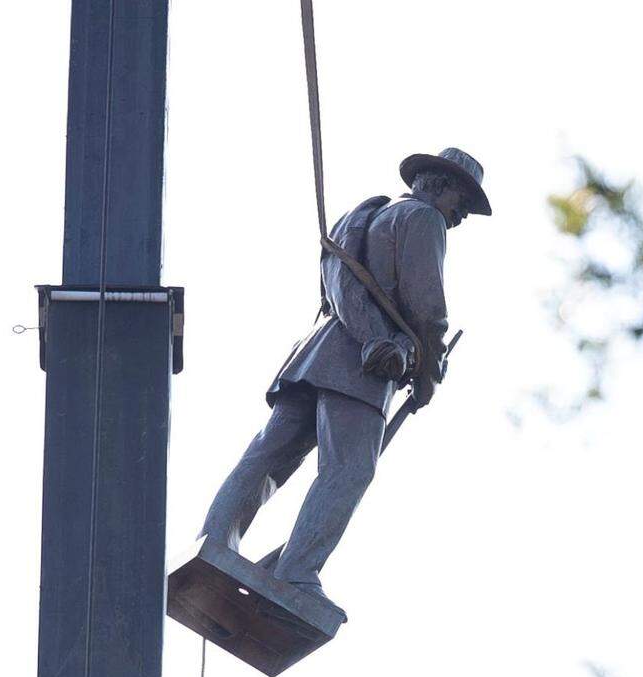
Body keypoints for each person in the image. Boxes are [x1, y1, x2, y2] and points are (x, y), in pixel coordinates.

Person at [199, 146, 491, 599]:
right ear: (441, 186)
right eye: (464, 203)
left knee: (268, 458)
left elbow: (341, 283)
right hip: (366, 367)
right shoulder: (423, 220)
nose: (463, 216)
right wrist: (429, 371)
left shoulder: (370, 215)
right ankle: (295, 572)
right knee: (349, 470)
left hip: (319, 352)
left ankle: (216, 541)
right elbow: (428, 308)